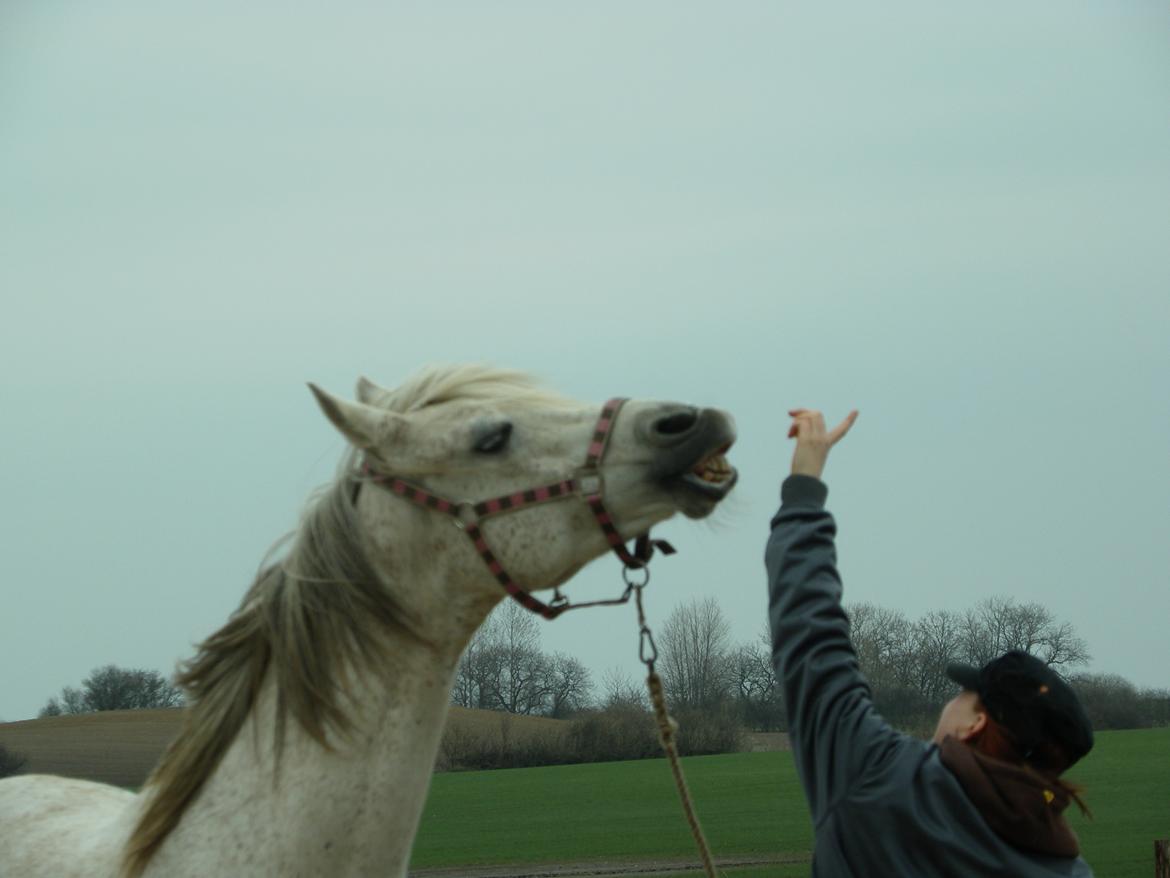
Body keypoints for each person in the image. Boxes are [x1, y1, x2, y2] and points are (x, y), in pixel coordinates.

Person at [766, 408, 1094, 877]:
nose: (951, 703)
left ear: (974, 725)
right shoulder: (1071, 873)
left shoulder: (876, 778)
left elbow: (810, 637)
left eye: (963, 694)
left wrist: (804, 488)